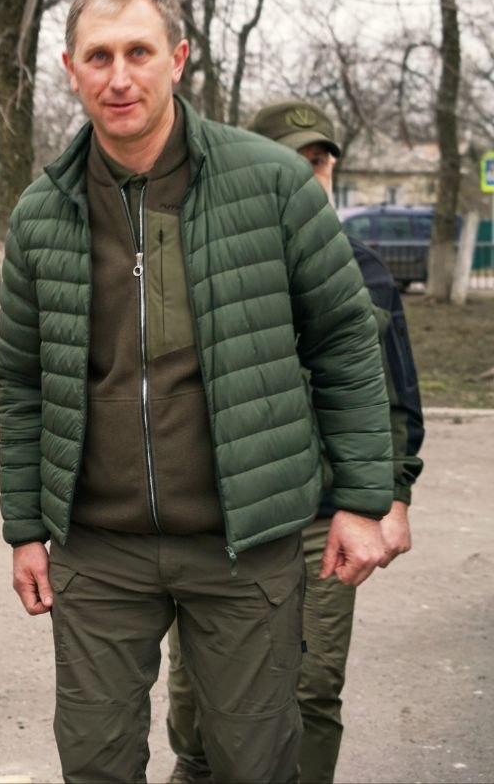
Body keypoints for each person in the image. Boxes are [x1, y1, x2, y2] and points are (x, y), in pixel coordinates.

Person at [0, 0, 394, 782]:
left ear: (176, 59)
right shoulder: (42, 212)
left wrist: (361, 499)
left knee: (256, 762)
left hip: (242, 541)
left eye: (138, 53)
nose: (119, 77)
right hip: (99, 547)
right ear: (70, 70)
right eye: (98, 57)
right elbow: (24, 381)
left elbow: (344, 339)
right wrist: (25, 529)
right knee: (95, 763)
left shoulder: (271, 183)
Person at [163, 99, 426, 784]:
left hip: (325, 515)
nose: (309, 176)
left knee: (310, 687)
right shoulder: (205, 258)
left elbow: (395, 393)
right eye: (292, 162)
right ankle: (195, 768)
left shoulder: (365, 269)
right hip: (222, 514)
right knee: (197, 691)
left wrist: (393, 496)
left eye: (319, 163)